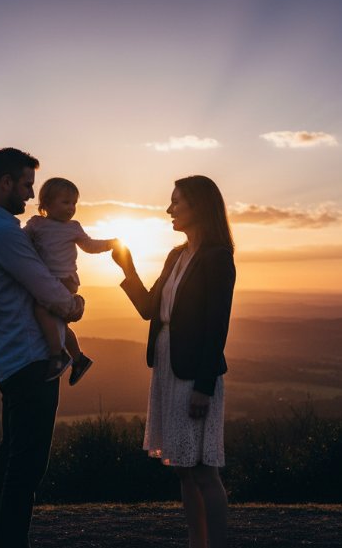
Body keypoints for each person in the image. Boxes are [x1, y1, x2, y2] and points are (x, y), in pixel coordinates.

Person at [0, 147, 86, 548]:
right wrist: (75, 305)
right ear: (5, 183)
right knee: (26, 468)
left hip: (11, 360)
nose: (31, 194)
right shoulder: (4, 234)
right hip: (30, 361)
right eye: (26, 185)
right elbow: (46, 287)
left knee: (11, 460)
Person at [111, 175, 235, 548]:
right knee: (183, 468)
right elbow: (150, 308)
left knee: (204, 471)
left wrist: (204, 387)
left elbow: (217, 327)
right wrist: (128, 269)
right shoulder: (176, 255)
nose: (169, 209)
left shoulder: (217, 258)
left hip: (194, 372)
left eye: (176, 201)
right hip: (167, 367)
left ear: (199, 205)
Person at [24, 177, 120, 385]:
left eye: (74, 203)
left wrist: (110, 244)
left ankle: (57, 355)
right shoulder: (37, 224)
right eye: (66, 202)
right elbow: (20, 242)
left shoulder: (73, 227)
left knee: (41, 310)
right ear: (47, 203)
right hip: (47, 280)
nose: (71, 208)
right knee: (58, 324)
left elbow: (89, 246)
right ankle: (78, 359)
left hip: (65, 280)